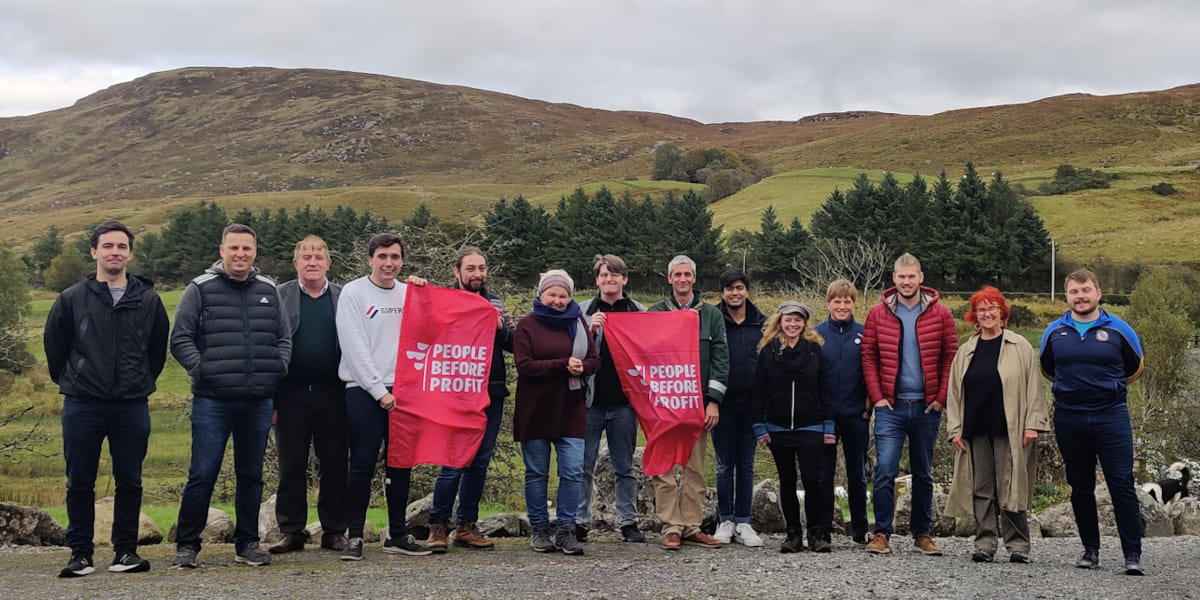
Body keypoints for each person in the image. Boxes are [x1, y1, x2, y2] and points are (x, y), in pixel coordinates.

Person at [45, 220, 169, 577]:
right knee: (80, 480)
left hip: (131, 404)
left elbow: (156, 352)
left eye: (121, 246)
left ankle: (126, 553)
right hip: (83, 403)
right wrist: (77, 379)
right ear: (94, 251)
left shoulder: (147, 299)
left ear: (130, 253)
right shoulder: (71, 298)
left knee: (130, 479)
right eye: (108, 246)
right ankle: (80, 554)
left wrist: (139, 381)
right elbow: (56, 349)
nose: (115, 252)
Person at [170, 223, 292, 569]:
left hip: (257, 401)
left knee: (251, 474)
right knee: (203, 472)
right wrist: (204, 370)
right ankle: (188, 545)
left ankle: (248, 544)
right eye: (234, 248)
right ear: (221, 250)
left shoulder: (268, 289)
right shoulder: (200, 288)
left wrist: (277, 369)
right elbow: (180, 339)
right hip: (213, 400)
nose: (241, 254)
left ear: (255, 252)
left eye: (247, 248)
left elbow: (284, 339)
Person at [1039, 269, 1145, 575]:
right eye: (1074, 291)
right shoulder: (1054, 332)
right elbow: (1049, 369)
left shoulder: (1119, 330)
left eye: (1086, 290)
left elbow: (1135, 368)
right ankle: (1090, 550)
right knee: (1080, 487)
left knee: (1121, 484)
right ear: (1067, 296)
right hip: (1070, 418)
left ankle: (1132, 554)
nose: (1080, 296)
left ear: (1098, 293)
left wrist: (1107, 389)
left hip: (1111, 417)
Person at [336, 232, 433, 561]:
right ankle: (354, 536)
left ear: (402, 260)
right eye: (382, 256)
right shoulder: (354, 293)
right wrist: (379, 392)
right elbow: (354, 346)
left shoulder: (410, 294)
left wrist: (425, 293)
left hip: (405, 391)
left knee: (401, 465)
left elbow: (431, 329)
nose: (389, 263)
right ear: (370, 259)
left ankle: (397, 533)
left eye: (395, 257)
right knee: (362, 464)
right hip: (364, 391)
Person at [861, 253, 957, 555]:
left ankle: (922, 535)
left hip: (926, 407)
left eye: (911, 276)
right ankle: (882, 533)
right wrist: (877, 396)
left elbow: (949, 357)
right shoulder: (878, 314)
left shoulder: (941, 314)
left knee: (923, 472)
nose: (906, 281)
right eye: (901, 277)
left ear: (921, 277)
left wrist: (941, 399)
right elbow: (869, 356)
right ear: (894, 279)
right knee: (886, 469)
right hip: (891, 407)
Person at [945, 286, 1049, 564]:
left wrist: (1033, 424)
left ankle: (1018, 546)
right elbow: (954, 394)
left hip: (1011, 429)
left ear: (1002, 313)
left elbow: (1034, 388)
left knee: (1011, 487)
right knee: (982, 488)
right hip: (975, 429)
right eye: (982, 309)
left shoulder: (1020, 347)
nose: (988, 313)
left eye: (993, 308)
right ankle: (985, 543)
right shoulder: (966, 351)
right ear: (974, 316)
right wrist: (955, 429)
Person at [426, 246, 515, 552]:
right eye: (471, 269)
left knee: (479, 461)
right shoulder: (444, 302)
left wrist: (501, 329)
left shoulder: (495, 303)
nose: (477, 274)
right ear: (457, 272)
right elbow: (427, 336)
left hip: (491, 391)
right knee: (452, 459)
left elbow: (516, 343)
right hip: (455, 392)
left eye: (482, 268)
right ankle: (438, 525)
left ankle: (467, 525)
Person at [268, 235, 347, 555]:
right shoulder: (278, 296)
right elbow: (267, 345)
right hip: (290, 394)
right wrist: (270, 397)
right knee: (291, 465)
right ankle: (292, 532)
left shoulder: (345, 296)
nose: (312, 261)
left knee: (335, 464)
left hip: (335, 394)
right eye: (306, 257)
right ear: (296, 263)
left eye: (318, 256)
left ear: (328, 262)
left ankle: (334, 531)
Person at [513, 270, 599, 555]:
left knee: (573, 471)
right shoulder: (526, 325)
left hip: (570, 408)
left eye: (563, 295)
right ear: (541, 294)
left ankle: (566, 529)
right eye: (552, 294)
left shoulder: (578, 323)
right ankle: (539, 529)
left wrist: (582, 368)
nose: (557, 300)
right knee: (537, 472)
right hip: (535, 408)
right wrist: (563, 364)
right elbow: (525, 366)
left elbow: (594, 361)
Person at [649, 255, 728, 550]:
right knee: (664, 468)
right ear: (669, 279)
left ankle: (692, 527)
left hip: (697, 406)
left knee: (694, 468)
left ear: (694, 278)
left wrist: (714, 401)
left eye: (687, 274)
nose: (682, 279)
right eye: (677, 274)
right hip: (664, 407)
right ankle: (671, 526)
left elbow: (721, 359)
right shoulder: (654, 313)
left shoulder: (711, 315)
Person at [752, 301, 836, 553]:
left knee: (813, 480)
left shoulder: (814, 350)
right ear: (780, 321)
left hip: (810, 424)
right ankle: (793, 534)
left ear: (804, 323)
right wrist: (759, 424)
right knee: (787, 481)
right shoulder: (768, 352)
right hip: (777, 426)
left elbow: (825, 389)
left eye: (797, 320)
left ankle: (816, 533)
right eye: (788, 319)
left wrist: (828, 424)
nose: (793, 324)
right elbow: (758, 390)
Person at [576, 254, 648, 544]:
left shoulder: (640, 311)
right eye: (604, 275)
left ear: (624, 279)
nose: (609, 280)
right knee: (583, 466)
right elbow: (572, 350)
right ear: (597, 280)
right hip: (590, 400)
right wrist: (590, 330)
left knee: (625, 467)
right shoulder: (581, 310)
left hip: (624, 401)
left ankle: (628, 522)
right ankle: (580, 522)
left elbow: (651, 348)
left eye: (614, 275)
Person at [813, 279, 871, 545]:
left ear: (853, 304)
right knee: (823, 473)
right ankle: (823, 529)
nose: (842, 306)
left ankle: (860, 530)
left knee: (857, 474)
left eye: (847, 301)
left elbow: (872, 372)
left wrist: (868, 406)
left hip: (856, 415)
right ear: (828, 303)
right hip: (824, 417)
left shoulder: (865, 334)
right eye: (837, 301)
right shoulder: (815, 335)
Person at [712, 269, 765, 547]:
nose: (735, 293)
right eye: (729, 288)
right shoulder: (712, 320)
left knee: (746, 463)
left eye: (739, 288)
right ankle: (725, 519)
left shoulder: (762, 323)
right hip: (720, 403)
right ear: (722, 292)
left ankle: (743, 520)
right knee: (723, 465)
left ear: (747, 290)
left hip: (753, 405)